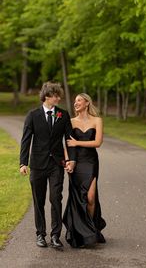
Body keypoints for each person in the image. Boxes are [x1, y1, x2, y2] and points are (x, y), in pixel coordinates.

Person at [19, 82, 75, 249]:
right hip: (37, 164)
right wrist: (23, 162)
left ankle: (56, 235)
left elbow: (69, 140)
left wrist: (71, 160)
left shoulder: (63, 115)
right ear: (47, 96)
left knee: (55, 198)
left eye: (59, 95)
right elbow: (26, 140)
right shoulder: (33, 115)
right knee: (39, 200)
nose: (59, 98)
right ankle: (40, 234)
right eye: (56, 95)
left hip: (56, 164)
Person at [63, 93, 106, 248]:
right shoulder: (70, 121)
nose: (76, 103)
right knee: (78, 198)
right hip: (76, 163)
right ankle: (84, 234)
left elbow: (98, 142)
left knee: (91, 197)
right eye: (74, 101)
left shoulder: (97, 120)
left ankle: (90, 229)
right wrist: (68, 162)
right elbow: (68, 145)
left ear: (87, 103)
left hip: (91, 161)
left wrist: (77, 143)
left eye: (79, 100)